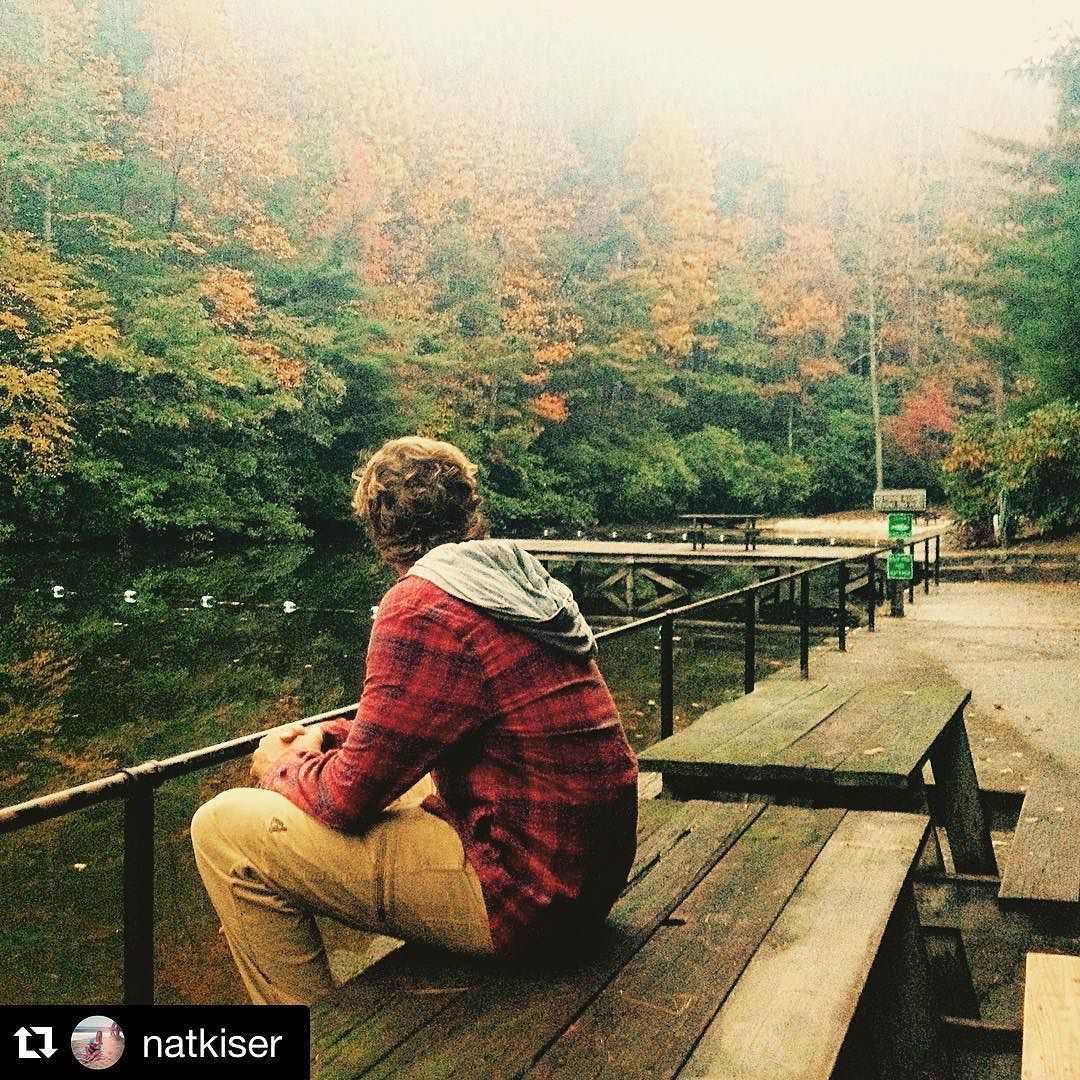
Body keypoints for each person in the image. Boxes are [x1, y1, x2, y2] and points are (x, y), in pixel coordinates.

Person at [191, 436, 639, 1005]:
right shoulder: (511, 582)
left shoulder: (422, 603)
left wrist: (286, 763)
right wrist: (324, 736)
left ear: (376, 528)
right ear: (471, 511)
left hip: (529, 905)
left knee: (225, 826)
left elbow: (346, 799)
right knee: (408, 783)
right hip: (585, 883)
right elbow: (422, 717)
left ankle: (314, 1047)